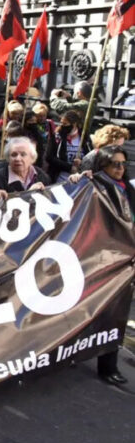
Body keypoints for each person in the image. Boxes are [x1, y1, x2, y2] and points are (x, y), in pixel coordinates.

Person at [90, 145, 134, 385]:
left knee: (116, 313)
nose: (120, 168)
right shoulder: (94, 185)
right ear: (104, 165)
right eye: (115, 164)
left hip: (124, 259)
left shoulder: (128, 189)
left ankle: (108, 366)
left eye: (123, 164)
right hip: (99, 257)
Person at [45, 109, 91, 183]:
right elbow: (49, 157)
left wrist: (82, 163)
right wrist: (69, 167)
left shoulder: (84, 138)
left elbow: (90, 157)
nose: (62, 126)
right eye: (61, 123)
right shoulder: (57, 137)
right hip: (60, 176)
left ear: (74, 124)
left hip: (79, 177)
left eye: (65, 124)